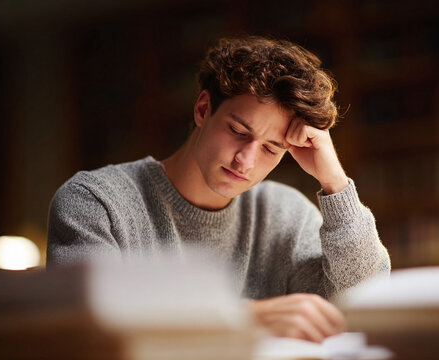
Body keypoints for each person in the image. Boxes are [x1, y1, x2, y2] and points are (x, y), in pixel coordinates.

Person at [47, 36, 390, 343]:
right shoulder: (95, 201)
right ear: (202, 109)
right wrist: (241, 320)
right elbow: (85, 329)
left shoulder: (286, 214)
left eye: (271, 148)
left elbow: (362, 302)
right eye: (239, 131)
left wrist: (335, 183)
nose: (246, 160)